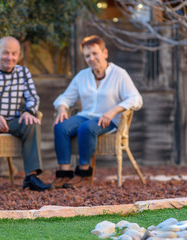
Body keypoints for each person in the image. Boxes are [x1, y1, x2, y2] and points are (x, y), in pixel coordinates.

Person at [52, 35, 143, 188]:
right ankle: (65, 175)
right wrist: (62, 109)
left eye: (95, 53)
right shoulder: (82, 76)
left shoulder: (119, 74)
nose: (91, 58)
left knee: (86, 128)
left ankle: (84, 174)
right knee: (60, 126)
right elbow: (65, 98)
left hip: (110, 120)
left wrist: (114, 110)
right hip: (86, 116)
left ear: (105, 53)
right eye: (87, 56)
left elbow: (136, 99)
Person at [0, 36, 52, 194]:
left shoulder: (23, 72)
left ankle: (31, 177)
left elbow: (33, 97)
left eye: (14, 53)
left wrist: (28, 112)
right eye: (6, 53)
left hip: (13, 121)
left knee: (32, 123)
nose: (10, 57)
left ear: (19, 54)